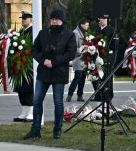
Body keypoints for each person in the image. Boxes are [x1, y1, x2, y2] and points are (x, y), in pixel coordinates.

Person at [24, 9, 75, 140]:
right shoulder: (43, 33)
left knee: (58, 102)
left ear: (62, 20)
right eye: (52, 19)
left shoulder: (69, 35)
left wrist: (54, 61)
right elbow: (35, 49)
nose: (54, 21)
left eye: (57, 19)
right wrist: (43, 60)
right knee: (36, 100)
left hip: (59, 72)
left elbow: (71, 53)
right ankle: (35, 129)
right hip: (44, 72)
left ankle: (57, 129)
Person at [13, 11, 35, 122]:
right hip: (20, 64)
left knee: (29, 89)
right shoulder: (21, 31)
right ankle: (24, 112)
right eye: (22, 18)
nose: (23, 20)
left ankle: (31, 113)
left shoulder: (33, 31)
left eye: (25, 19)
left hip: (28, 65)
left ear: (31, 20)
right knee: (21, 89)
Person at [92, 14, 116, 102]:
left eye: (104, 18)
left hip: (107, 56)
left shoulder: (112, 30)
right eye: (100, 18)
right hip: (97, 56)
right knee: (96, 75)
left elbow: (114, 45)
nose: (101, 20)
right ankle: (98, 95)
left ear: (108, 20)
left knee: (107, 75)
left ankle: (108, 95)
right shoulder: (97, 29)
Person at [66, 19, 90, 102]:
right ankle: (70, 94)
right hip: (78, 58)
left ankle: (80, 95)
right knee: (78, 77)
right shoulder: (75, 33)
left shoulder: (84, 33)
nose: (88, 26)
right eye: (86, 25)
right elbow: (73, 47)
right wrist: (82, 49)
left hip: (84, 59)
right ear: (81, 25)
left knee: (83, 77)